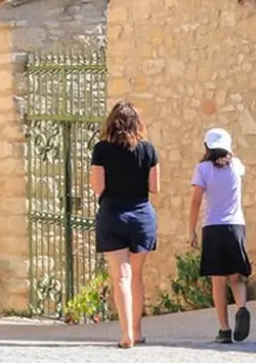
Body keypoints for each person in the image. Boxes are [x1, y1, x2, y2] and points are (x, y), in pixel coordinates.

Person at [91, 101, 159, 349]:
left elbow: (98, 187)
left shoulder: (101, 149)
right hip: (141, 216)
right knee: (137, 276)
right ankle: (138, 331)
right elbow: (155, 187)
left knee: (121, 276)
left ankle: (126, 333)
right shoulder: (148, 149)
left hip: (112, 214)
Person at [189, 127, 253, 344]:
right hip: (236, 226)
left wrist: (192, 229)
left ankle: (224, 329)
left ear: (207, 147)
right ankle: (242, 307)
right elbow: (236, 167)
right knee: (236, 276)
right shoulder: (237, 166)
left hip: (213, 227)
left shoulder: (203, 169)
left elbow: (196, 200)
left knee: (218, 280)